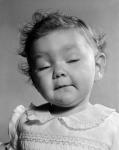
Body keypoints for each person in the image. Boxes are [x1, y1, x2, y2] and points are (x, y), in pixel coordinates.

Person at [0, 10, 119, 150]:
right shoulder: (26, 123)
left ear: (97, 66)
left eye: (72, 59)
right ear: (34, 79)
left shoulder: (111, 128)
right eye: (44, 67)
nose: (58, 72)